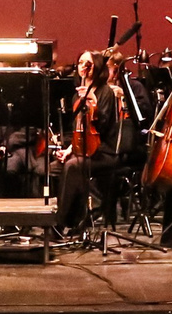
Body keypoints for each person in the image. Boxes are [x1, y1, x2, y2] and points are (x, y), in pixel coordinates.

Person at [53, 50, 128, 230]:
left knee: (73, 166)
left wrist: (94, 104)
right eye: (79, 63)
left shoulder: (106, 92)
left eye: (87, 63)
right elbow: (78, 129)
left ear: (96, 67)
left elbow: (100, 128)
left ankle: (60, 223)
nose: (82, 66)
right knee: (53, 167)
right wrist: (69, 150)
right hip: (82, 149)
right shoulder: (77, 95)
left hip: (103, 151)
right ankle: (77, 218)